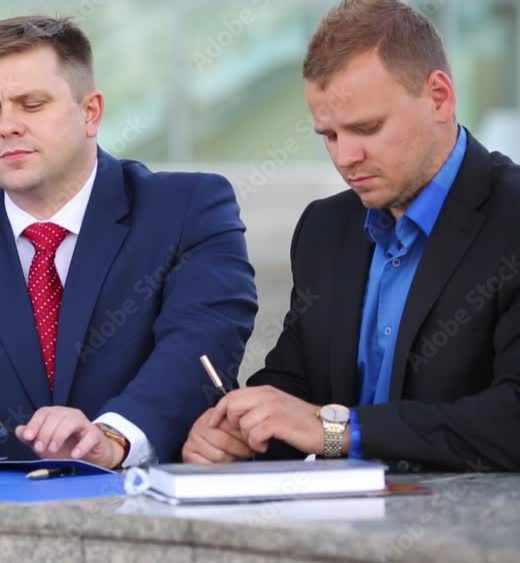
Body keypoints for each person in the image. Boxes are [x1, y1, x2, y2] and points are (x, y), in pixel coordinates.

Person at [0, 15, 257, 469]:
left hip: (148, 509)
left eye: (31, 104)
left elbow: (201, 343)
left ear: (91, 112)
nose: (7, 126)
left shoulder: (186, 208)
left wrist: (113, 437)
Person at [183, 0, 520, 471]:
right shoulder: (325, 228)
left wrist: (336, 432)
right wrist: (241, 428)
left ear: (439, 97)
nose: (345, 158)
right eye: (329, 135)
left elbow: (510, 420)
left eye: (366, 128)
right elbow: (294, 382)